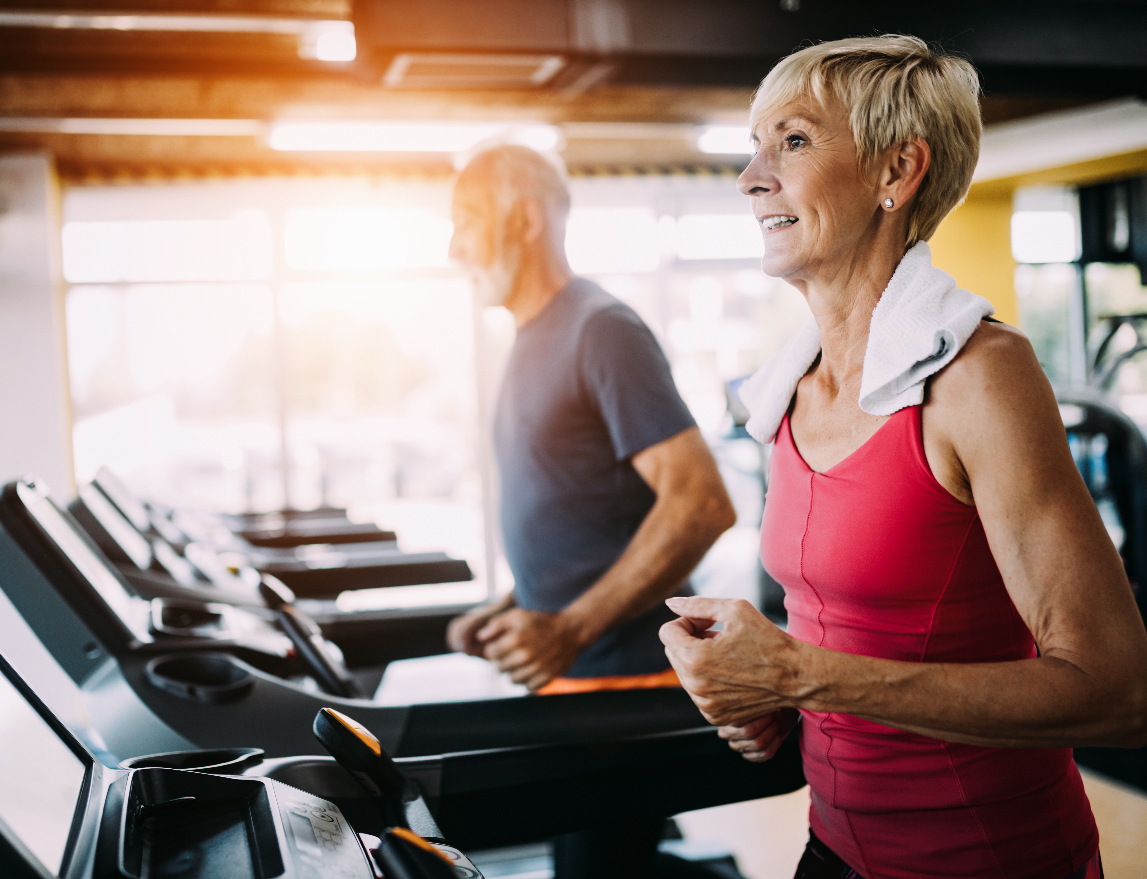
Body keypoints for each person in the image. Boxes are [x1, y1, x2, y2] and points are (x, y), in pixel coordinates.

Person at [660, 35, 1147, 879]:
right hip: (837, 850)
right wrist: (766, 693)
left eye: (795, 141)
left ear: (897, 172)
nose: (751, 178)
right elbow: (849, 648)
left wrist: (800, 673)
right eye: (754, 146)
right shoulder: (787, 392)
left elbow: (1117, 690)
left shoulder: (979, 378)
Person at [445, 144, 738, 878]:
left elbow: (701, 502)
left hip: (622, 687)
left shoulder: (601, 330)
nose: (453, 247)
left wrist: (570, 624)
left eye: (465, 221)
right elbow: (584, 507)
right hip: (574, 683)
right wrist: (518, 602)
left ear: (524, 218)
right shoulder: (530, 338)